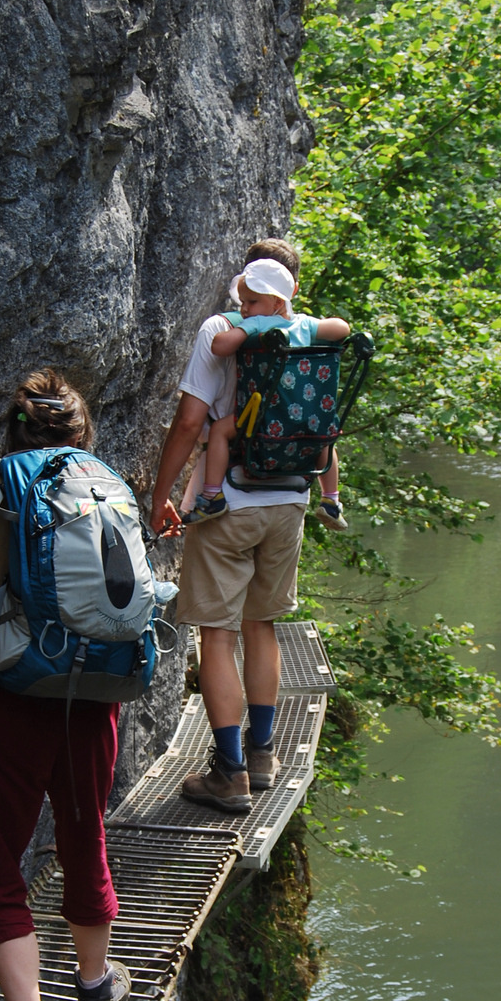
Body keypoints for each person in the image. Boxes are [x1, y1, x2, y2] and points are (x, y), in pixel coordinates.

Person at [0, 369, 131, 1001]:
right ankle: (95, 984)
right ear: (80, 433)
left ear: (10, 430)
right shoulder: (103, 485)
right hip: (91, 694)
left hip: (8, 695)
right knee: (83, 834)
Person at [149, 240, 313, 814]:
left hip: (231, 503)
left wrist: (161, 495)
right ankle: (264, 754)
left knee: (216, 635)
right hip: (291, 502)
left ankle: (230, 772)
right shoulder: (306, 336)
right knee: (260, 624)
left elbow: (191, 420)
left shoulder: (222, 328)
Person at [183, 257, 350, 530]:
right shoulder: (305, 326)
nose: (244, 309)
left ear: (277, 303)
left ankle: (212, 495)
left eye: (251, 302)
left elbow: (220, 346)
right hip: (303, 418)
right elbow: (342, 329)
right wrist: (308, 324)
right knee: (326, 436)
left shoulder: (259, 324)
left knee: (220, 431)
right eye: (243, 303)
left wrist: (243, 330)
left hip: (262, 416)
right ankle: (331, 499)